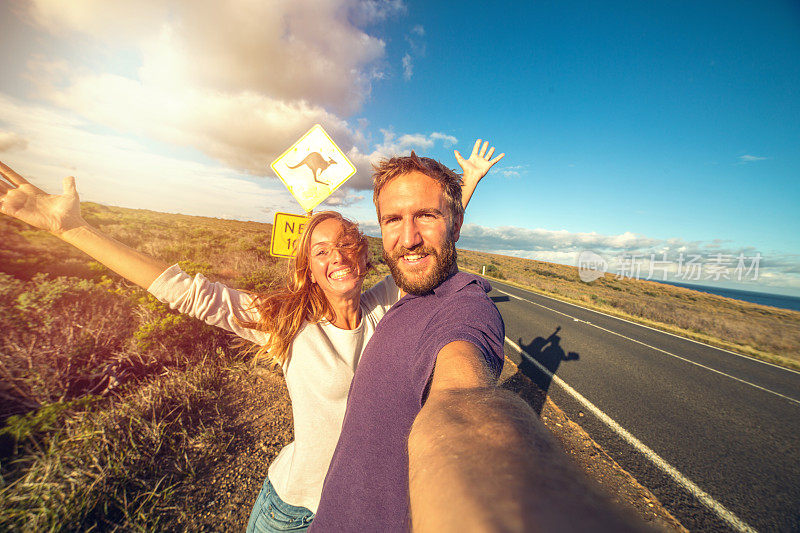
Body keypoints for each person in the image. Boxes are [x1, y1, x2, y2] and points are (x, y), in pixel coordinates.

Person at [0, 138, 504, 533]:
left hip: (356, 512)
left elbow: (425, 239)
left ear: (364, 254)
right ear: (309, 266)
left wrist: (469, 182)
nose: (338, 257)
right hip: (292, 510)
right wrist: (71, 230)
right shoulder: (286, 323)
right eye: (321, 251)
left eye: (348, 243)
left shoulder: (384, 309)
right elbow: (184, 290)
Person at [309, 153, 648, 532]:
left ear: (455, 226)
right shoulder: (403, 294)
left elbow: (459, 402)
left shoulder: (465, 307)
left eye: (426, 216)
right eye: (393, 219)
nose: (409, 238)